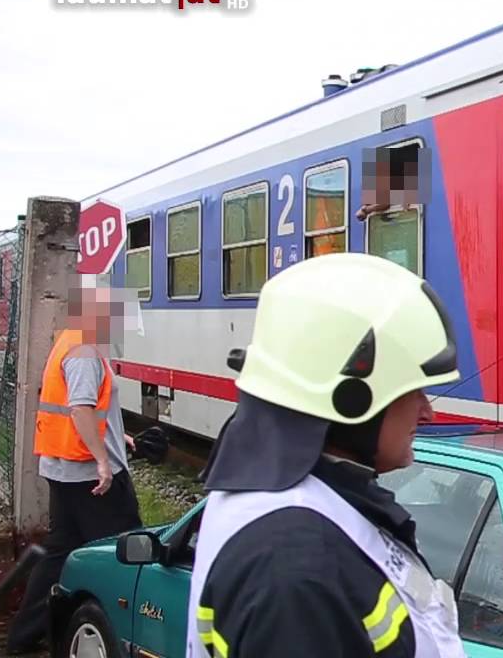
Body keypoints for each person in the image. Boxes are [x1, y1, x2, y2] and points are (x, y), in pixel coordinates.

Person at [186, 253, 467, 658]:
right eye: (413, 390)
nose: (428, 411)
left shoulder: (291, 504)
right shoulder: (295, 574)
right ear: (350, 397)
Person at [7, 280, 145, 654]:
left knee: (59, 553)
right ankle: (123, 634)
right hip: (90, 477)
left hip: (64, 469)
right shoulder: (84, 350)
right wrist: (103, 459)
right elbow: (80, 408)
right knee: (130, 553)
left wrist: (121, 436)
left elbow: (91, 411)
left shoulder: (71, 340)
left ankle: (22, 636)